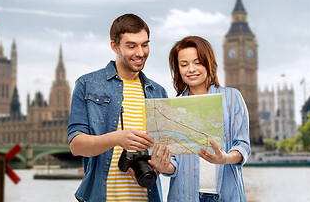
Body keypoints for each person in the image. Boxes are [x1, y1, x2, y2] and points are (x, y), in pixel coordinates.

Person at [67, 13, 168, 202]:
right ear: (114, 46)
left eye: (145, 45)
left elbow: (165, 153)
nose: (140, 53)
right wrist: (117, 138)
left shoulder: (159, 93)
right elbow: (76, 145)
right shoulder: (87, 84)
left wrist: (159, 166)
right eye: (131, 46)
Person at [153, 35, 251, 202]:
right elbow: (173, 163)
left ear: (209, 63)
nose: (191, 69)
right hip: (184, 196)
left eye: (198, 62)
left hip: (226, 195)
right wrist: (163, 166)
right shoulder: (172, 107)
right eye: (184, 64)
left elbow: (243, 145)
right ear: (178, 69)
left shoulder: (232, 97)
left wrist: (225, 158)